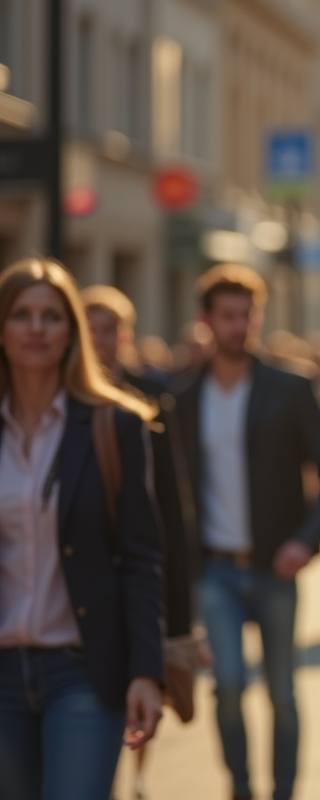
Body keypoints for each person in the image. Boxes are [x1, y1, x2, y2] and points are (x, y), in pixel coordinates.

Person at [172, 263, 320, 800]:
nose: (238, 325)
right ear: (206, 321)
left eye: (246, 314)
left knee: (282, 692)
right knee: (226, 688)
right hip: (216, 570)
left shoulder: (289, 387)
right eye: (227, 316)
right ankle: (241, 789)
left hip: (275, 564)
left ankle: (284, 792)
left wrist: (306, 540)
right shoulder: (182, 400)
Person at [0, 258, 164, 800]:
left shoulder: (114, 424)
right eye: (23, 315)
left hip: (83, 674)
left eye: (52, 316)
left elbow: (143, 559)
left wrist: (147, 669)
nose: (37, 328)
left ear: (71, 331)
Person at [82, 285, 201, 800]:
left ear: (124, 336)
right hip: (84, 578)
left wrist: (179, 613)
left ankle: (140, 772)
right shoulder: (58, 397)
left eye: (109, 329)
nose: (100, 340)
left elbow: (171, 510)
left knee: (142, 677)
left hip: (135, 573)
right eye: (91, 328)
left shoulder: (150, 398)